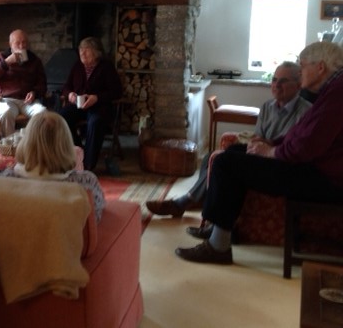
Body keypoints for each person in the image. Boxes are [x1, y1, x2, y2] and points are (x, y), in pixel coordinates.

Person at [175, 41, 343, 265]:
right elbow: (302, 134)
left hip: (325, 180)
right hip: (314, 169)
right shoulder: (331, 90)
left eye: (302, 66)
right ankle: (219, 230)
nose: (300, 71)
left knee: (227, 164)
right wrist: (271, 143)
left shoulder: (337, 93)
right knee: (235, 151)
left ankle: (218, 247)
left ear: (320, 67)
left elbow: (309, 144)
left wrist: (272, 151)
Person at [146, 61, 312, 222]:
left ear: (298, 85)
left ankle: (184, 203)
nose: (276, 85)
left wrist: (266, 143)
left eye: (283, 81)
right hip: (259, 153)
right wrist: (262, 142)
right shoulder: (267, 107)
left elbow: (290, 146)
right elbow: (258, 138)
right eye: (274, 80)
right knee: (209, 157)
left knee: (221, 160)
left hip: (278, 162)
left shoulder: (306, 112)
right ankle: (198, 198)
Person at [0, 111, 106, 222]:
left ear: (26, 142)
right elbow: (95, 217)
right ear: (67, 145)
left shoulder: (4, 179)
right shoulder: (86, 182)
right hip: (66, 233)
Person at [59, 37, 123, 172]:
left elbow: (117, 91)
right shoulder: (77, 66)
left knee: (95, 122)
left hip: (99, 106)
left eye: (86, 50)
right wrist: (70, 94)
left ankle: (88, 165)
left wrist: (97, 98)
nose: (82, 53)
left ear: (96, 53)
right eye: (81, 49)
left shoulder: (106, 67)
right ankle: (78, 151)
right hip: (78, 105)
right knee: (61, 117)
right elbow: (66, 86)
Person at [0, 29, 47, 138]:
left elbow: (43, 83)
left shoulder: (34, 60)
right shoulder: (1, 57)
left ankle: (33, 144)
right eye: (18, 43)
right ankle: (9, 144)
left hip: (28, 101)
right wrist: (6, 62)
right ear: (10, 44)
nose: (21, 46)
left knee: (42, 113)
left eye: (24, 42)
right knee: (6, 113)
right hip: (6, 99)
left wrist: (34, 92)